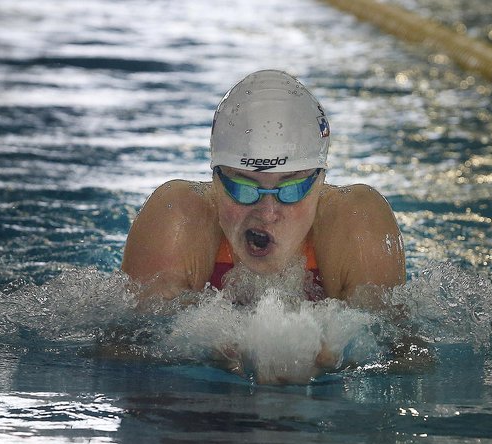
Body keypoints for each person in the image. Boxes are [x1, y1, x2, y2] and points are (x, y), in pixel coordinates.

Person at [121, 69, 405, 307]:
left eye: (291, 189)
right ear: (216, 181)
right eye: (245, 188)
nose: (268, 213)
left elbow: (399, 356)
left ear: (320, 181)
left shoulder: (357, 223)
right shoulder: (177, 218)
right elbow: (127, 353)